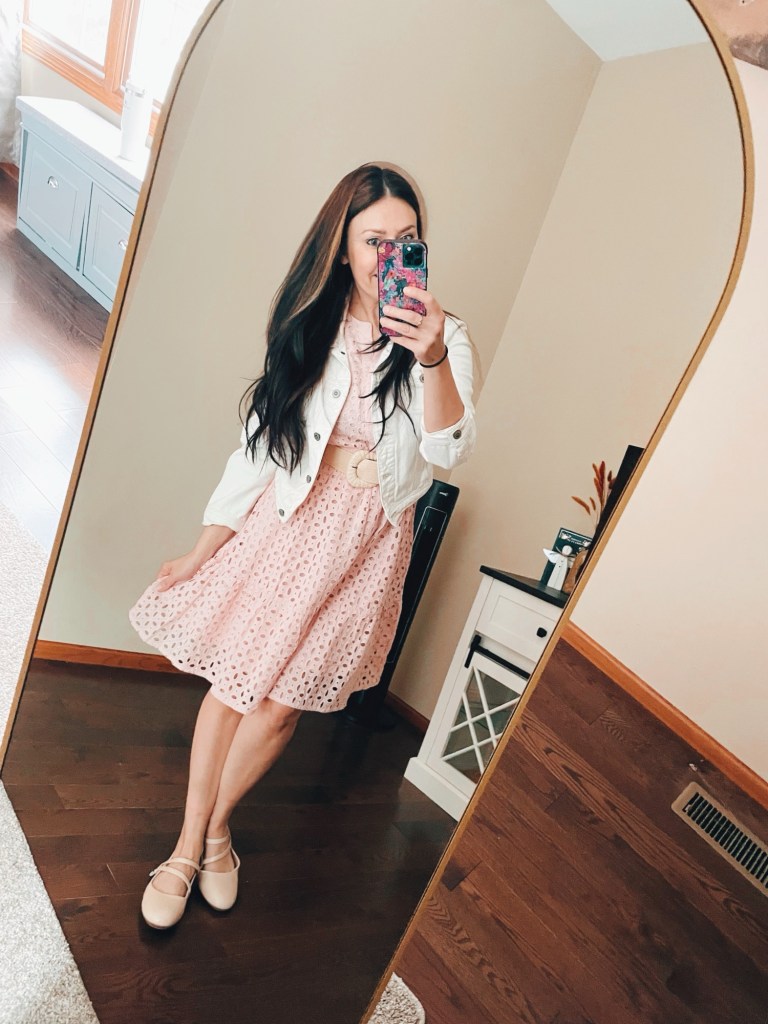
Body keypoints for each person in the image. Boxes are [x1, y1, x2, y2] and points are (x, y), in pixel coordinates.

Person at [127, 163, 477, 929]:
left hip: (366, 549)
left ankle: (218, 832)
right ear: (344, 248)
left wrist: (431, 358)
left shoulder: (443, 338)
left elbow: (450, 452)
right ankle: (191, 847)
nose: (391, 253)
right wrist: (200, 550)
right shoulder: (311, 327)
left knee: (283, 712)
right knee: (233, 690)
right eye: (374, 239)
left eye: (406, 239)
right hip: (288, 527)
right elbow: (258, 449)